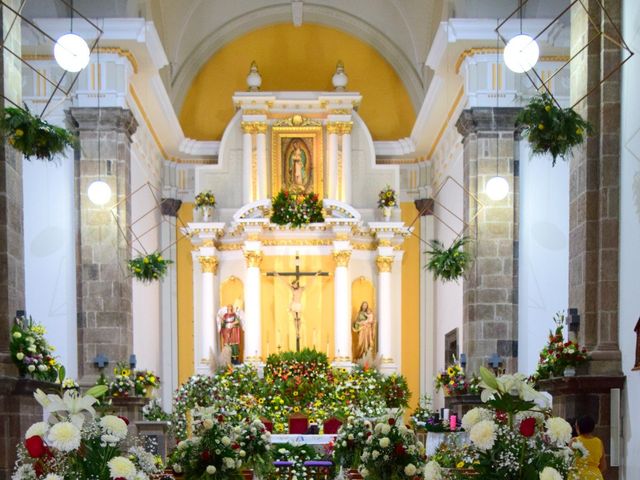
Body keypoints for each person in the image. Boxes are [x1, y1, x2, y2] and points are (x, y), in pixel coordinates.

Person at [570, 415, 606, 480]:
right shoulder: (598, 442)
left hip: (577, 476)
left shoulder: (574, 441)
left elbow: (568, 462)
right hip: (595, 476)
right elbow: (603, 465)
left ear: (578, 427)